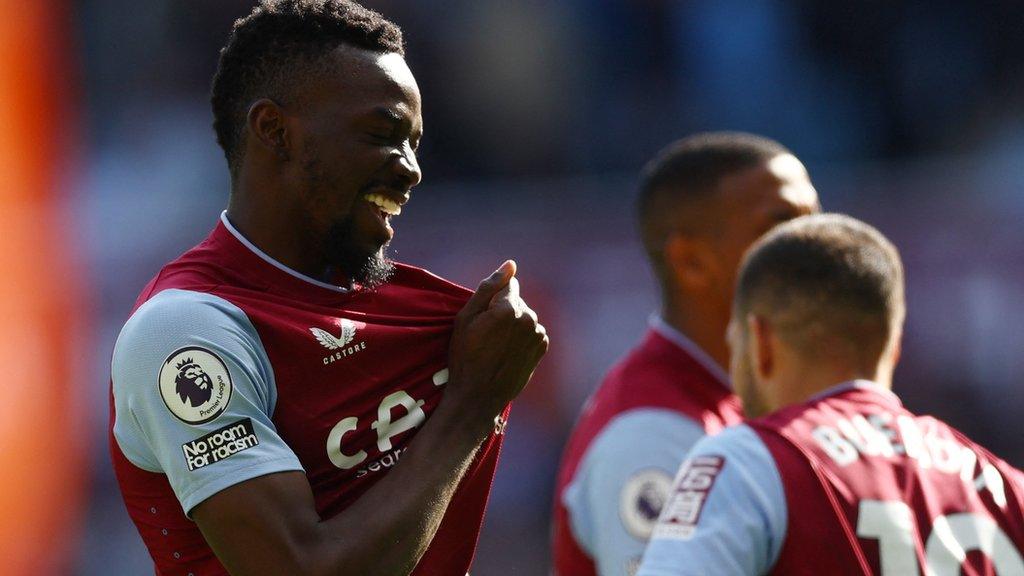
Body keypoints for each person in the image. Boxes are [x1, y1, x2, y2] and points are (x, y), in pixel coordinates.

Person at [108, 2, 548, 575]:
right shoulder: (187, 332)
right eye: (382, 133)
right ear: (274, 131)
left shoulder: (402, 317)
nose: (411, 168)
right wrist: (470, 408)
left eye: (414, 142)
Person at [638, 214, 1024, 575]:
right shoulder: (1007, 487)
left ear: (760, 342)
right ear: (892, 347)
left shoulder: (748, 460)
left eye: (734, 344)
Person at [552, 133, 820, 575]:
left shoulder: (736, 405)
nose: (817, 246)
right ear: (691, 261)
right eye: (782, 226)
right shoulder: (651, 433)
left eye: (816, 223)